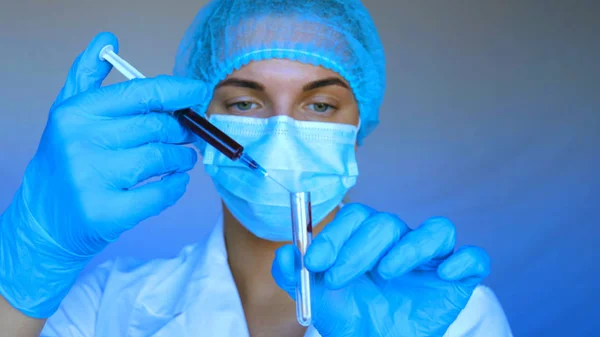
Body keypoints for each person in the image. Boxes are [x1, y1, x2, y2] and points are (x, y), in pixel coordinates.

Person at [0, 0, 513, 336]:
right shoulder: (107, 307)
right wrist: (22, 275)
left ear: (362, 122)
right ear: (200, 124)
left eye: (319, 106)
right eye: (245, 105)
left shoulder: (452, 313)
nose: (281, 137)